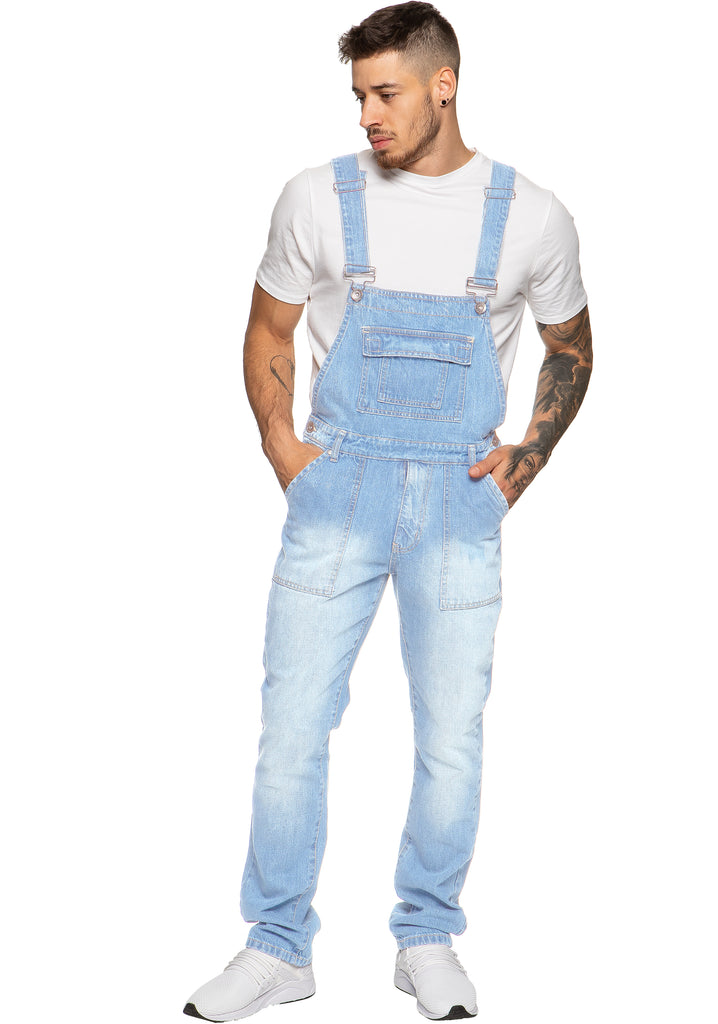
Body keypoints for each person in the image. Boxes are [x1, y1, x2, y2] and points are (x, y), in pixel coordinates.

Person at [183, 2, 592, 1020]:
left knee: (451, 733)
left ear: (443, 86)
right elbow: (267, 328)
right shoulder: (315, 198)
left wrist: (525, 460)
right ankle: (278, 947)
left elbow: (572, 347)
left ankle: (428, 937)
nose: (368, 113)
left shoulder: (531, 214)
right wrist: (285, 450)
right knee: (292, 725)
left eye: (386, 92)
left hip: (461, 496)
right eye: (359, 94)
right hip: (339, 485)